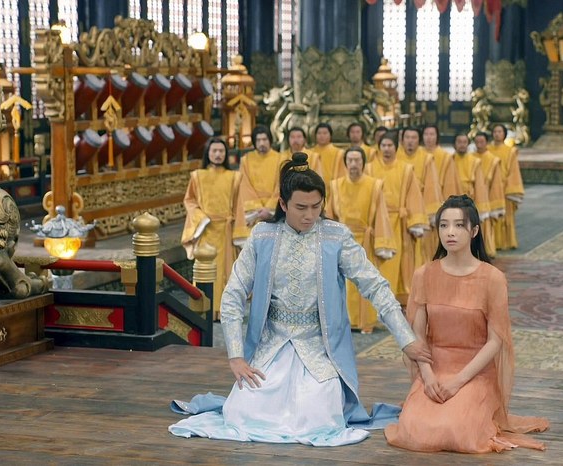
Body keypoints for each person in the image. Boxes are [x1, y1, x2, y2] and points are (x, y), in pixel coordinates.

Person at [170, 153, 432, 446]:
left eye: (316, 207)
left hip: (319, 348)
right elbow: (232, 297)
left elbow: (376, 287)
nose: (309, 215)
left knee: (318, 416)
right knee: (244, 412)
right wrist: (236, 357)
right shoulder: (263, 236)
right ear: (283, 204)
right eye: (301, 207)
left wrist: (406, 339)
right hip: (272, 345)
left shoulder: (335, 237)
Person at [385, 195, 549, 453]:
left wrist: (458, 381)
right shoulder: (424, 274)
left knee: (457, 429)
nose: (450, 232)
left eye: (459, 225)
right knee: (414, 429)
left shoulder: (492, 278)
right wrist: (427, 376)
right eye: (444, 225)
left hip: (475, 372)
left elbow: (495, 341)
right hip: (435, 368)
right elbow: (418, 336)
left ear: (474, 231)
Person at [326, 146, 396, 334]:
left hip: (365, 241)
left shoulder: (374, 185)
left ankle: (367, 322)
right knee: (343, 284)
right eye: (350, 160)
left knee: (365, 281)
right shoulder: (336, 185)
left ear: (363, 163)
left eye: (357, 160)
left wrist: (381, 244)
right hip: (342, 242)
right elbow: (330, 216)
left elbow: (381, 215)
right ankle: (345, 322)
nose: (353, 164)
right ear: (345, 163)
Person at [181, 137, 242, 318]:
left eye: (221, 151)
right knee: (205, 270)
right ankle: (203, 310)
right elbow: (190, 201)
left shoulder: (234, 177)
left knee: (225, 273)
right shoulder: (197, 176)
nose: (217, 154)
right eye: (214, 151)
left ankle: (224, 311)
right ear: (207, 153)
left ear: (226, 154)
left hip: (225, 230)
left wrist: (239, 232)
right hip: (205, 230)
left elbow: (239, 206)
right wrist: (201, 219)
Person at [366, 132, 428, 304]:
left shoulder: (406, 169)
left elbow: (413, 195)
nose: (386, 149)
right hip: (377, 224)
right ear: (379, 147)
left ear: (396, 147)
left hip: (398, 224)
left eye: (390, 145)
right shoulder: (369, 168)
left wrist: (415, 222)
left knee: (400, 263)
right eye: (383, 145)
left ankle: (397, 298)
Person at [398, 126, 442, 267]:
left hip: (420, 210)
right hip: (399, 212)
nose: (410, 141)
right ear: (402, 140)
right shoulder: (396, 157)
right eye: (407, 137)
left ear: (419, 140)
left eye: (414, 138)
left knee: (421, 251)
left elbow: (431, 187)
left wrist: (428, 215)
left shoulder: (427, 159)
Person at [233, 125, 283, 243]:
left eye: (264, 139)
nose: (262, 143)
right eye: (258, 140)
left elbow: (281, 186)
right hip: (254, 213)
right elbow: (244, 185)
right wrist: (257, 210)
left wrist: (269, 209)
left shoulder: (280, 159)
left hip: (274, 211)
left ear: (270, 140)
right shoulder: (246, 160)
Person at [487, 124, 524, 251]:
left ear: (504, 134)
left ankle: (507, 242)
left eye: (500, 132)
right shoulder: (487, 150)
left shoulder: (510, 151)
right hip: (490, 188)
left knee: (505, 216)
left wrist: (509, 188)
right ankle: (492, 243)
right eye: (495, 131)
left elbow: (513, 171)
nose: (497, 134)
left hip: (504, 188)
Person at [473, 132, 505, 258]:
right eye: (477, 142)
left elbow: (496, 184)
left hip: (485, 197)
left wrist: (495, 203)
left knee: (485, 225)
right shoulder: (471, 158)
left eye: (482, 142)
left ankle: (486, 249)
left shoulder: (492, 160)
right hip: (471, 196)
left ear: (486, 142)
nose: (479, 144)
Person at [451, 133, 491, 228]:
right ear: (454, 144)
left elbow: (480, 186)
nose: (462, 145)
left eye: (465, 142)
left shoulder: (475, 161)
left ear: (468, 144)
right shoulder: (449, 161)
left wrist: (481, 209)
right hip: (452, 201)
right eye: (459, 142)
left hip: (469, 202)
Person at [422, 125, 461, 199]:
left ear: (437, 136)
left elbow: (450, 183)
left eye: (432, 134)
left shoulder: (446, 157)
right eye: (426, 134)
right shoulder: (418, 154)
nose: (428, 137)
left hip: (440, 196)